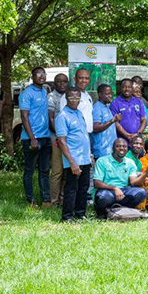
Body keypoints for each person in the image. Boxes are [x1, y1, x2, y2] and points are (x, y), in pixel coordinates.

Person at [55, 87, 92, 222]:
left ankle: (80, 213)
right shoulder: (62, 116)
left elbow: (83, 136)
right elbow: (62, 141)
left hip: (85, 158)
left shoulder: (79, 113)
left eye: (77, 97)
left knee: (83, 187)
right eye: (71, 97)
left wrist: (89, 155)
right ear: (66, 98)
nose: (74, 100)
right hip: (74, 159)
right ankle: (67, 216)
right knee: (71, 188)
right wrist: (71, 161)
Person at [20, 67, 52, 206]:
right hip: (31, 138)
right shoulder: (26, 93)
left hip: (46, 137)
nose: (41, 76)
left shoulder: (44, 91)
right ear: (32, 76)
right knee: (29, 170)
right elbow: (24, 117)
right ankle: (30, 200)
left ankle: (46, 200)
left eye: (43, 74)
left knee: (44, 171)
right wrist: (32, 138)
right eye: (38, 74)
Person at [92, 138, 148, 219]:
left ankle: (122, 210)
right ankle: (103, 213)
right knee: (103, 197)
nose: (122, 148)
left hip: (124, 191)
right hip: (107, 191)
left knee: (141, 192)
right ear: (113, 148)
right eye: (118, 146)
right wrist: (115, 188)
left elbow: (133, 182)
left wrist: (146, 173)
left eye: (124, 146)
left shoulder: (130, 162)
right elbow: (96, 183)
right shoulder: (102, 161)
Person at [47, 73, 69, 205]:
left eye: (64, 81)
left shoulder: (69, 96)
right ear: (54, 83)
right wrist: (60, 135)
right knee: (57, 170)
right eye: (59, 81)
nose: (62, 84)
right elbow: (51, 118)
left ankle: (62, 199)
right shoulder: (51, 97)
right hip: (57, 138)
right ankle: (54, 200)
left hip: (68, 139)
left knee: (67, 171)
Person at [58, 68, 94, 135]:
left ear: (89, 80)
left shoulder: (88, 96)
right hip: (75, 136)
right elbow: (63, 119)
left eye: (86, 78)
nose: (84, 80)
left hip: (88, 135)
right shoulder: (68, 95)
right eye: (81, 78)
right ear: (75, 79)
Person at [91, 84, 121, 160]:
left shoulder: (106, 107)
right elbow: (96, 128)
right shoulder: (97, 108)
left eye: (111, 93)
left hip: (110, 151)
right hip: (102, 152)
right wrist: (112, 121)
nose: (110, 96)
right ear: (100, 95)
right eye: (107, 94)